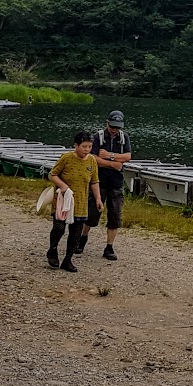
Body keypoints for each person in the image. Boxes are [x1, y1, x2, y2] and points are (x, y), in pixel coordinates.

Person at [46, 131, 101, 273]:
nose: (87, 150)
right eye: (84, 146)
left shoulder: (92, 161)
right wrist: (63, 186)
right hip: (63, 200)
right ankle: (52, 250)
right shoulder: (66, 158)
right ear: (76, 145)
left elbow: (94, 181)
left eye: (89, 147)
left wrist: (98, 199)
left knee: (76, 232)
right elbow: (52, 174)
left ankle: (68, 259)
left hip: (81, 202)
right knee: (59, 228)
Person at [88, 110, 132, 260]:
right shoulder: (97, 137)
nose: (114, 130)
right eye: (112, 126)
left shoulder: (124, 137)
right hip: (99, 181)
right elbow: (93, 158)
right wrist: (113, 164)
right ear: (107, 123)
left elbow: (127, 157)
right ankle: (82, 238)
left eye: (117, 127)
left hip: (116, 183)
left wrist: (108, 156)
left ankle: (109, 247)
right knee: (92, 212)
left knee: (115, 215)